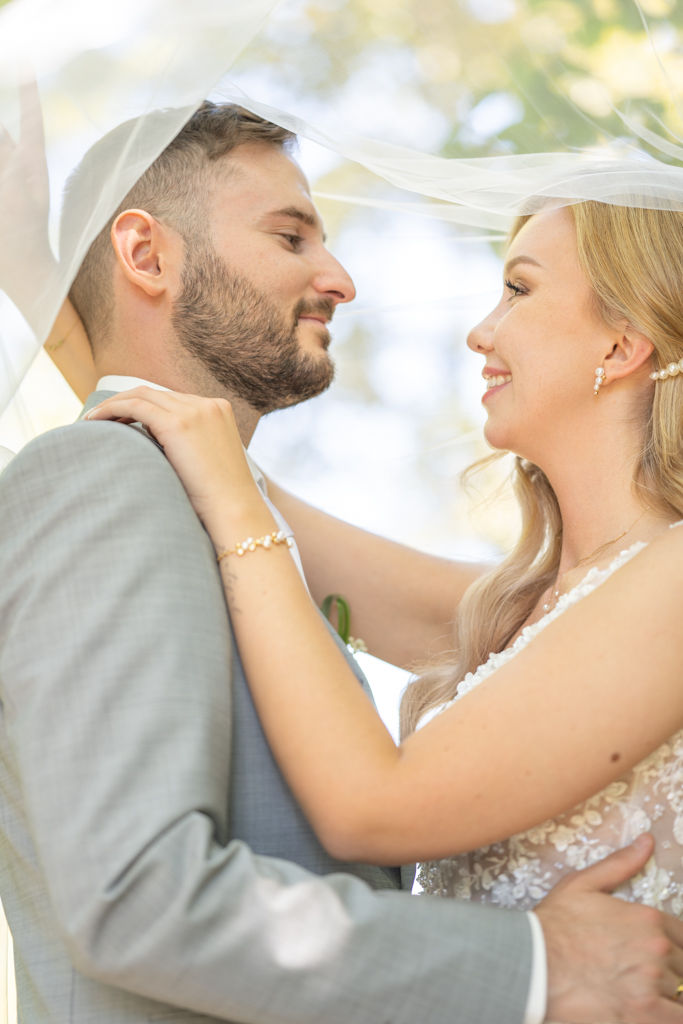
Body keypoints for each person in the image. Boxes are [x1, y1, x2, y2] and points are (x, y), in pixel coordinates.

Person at [1, 101, 682, 1024]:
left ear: (623, 341)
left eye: (517, 289)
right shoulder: (521, 613)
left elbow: (372, 800)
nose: (480, 331)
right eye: (290, 234)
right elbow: (181, 451)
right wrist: (45, 278)